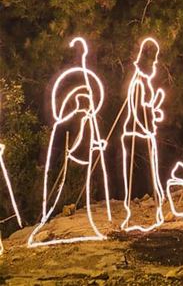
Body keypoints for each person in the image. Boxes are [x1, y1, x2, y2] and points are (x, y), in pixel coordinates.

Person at [29, 37, 111, 246]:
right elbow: (69, 135)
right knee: (58, 183)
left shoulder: (87, 118)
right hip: (68, 149)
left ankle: (88, 223)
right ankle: (44, 220)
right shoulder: (68, 119)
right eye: (83, 100)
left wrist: (96, 144)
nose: (88, 105)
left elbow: (85, 137)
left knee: (83, 185)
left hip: (79, 152)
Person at [121, 38, 165, 232]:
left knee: (152, 173)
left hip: (143, 132)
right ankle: (131, 217)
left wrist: (154, 109)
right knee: (137, 174)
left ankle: (157, 213)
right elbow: (136, 108)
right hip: (136, 134)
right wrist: (145, 125)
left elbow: (146, 107)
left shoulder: (144, 82)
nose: (155, 65)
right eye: (153, 61)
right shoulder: (138, 82)